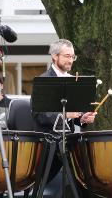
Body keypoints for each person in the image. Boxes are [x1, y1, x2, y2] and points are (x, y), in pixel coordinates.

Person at [31, 39, 97, 190]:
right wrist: (65, 114)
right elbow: (39, 114)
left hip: (70, 144)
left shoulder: (74, 80)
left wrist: (82, 118)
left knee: (87, 181)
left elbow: (77, 115)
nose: (71, 60)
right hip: (48, 145)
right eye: (67, 56)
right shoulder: (43, 80)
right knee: (39, 187)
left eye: (73, 57)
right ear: (54, 56)